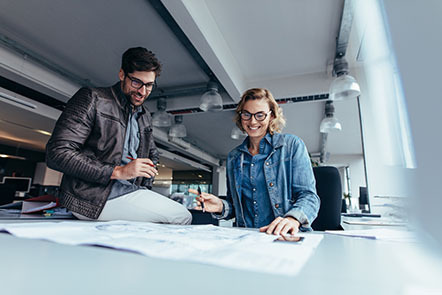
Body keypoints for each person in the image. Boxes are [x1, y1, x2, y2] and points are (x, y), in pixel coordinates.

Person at [46, 47, 192, 224]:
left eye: (149, 85)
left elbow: (151, 153)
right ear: (122, 74)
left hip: (128, 191)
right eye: (137, 82)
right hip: (91, 198)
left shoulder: (144, 114)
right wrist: (118, 171)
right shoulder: (93, 98)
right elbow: (57, 153)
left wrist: (145, 183)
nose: (143, 92)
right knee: (181, 216)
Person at [190, 88, 319, 235]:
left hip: (285, 236)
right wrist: (220, 205)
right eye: (247, 114)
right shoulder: (234, 157)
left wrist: (292, 219)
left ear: (271, 116)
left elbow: (309, 197)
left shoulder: (291, 146)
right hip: (247, 237)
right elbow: (236, 206)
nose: (252, 121)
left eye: (260, 115)